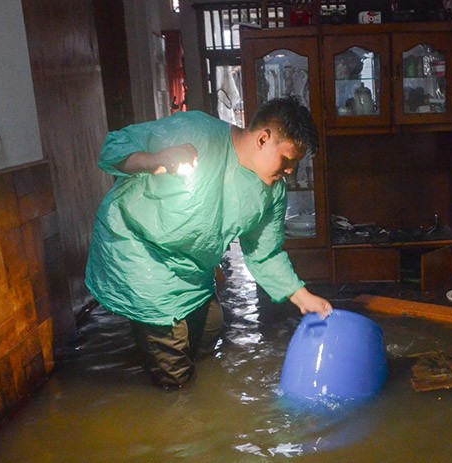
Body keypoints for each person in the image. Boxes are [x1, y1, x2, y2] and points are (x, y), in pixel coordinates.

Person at [85, 97, 333, 388]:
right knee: (174, 369)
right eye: (287, 160)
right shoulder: (195, 131)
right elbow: (114, 146)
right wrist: (153, 160)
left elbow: (265, 254)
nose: (290, 171)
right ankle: (176, 407)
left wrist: (303, 298)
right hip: (141, 250)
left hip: (192, 265)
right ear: (263, 139)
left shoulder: (272, 192)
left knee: (210, 331)